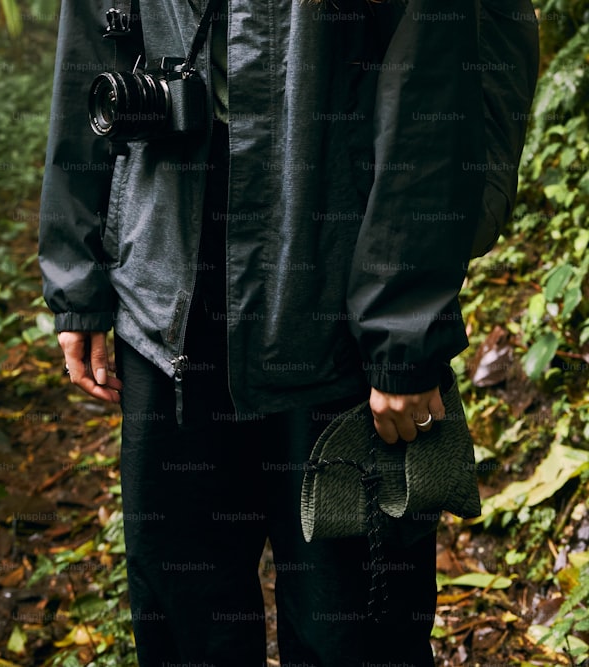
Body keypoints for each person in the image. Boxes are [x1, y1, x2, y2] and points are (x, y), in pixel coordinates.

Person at [38, 0, 538, 664]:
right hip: (165, 292)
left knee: (354, 628)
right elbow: (91, 51)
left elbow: (431, 98)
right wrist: (78, 279)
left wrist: (403, 332)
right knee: (188, 619)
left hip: (336, 293)